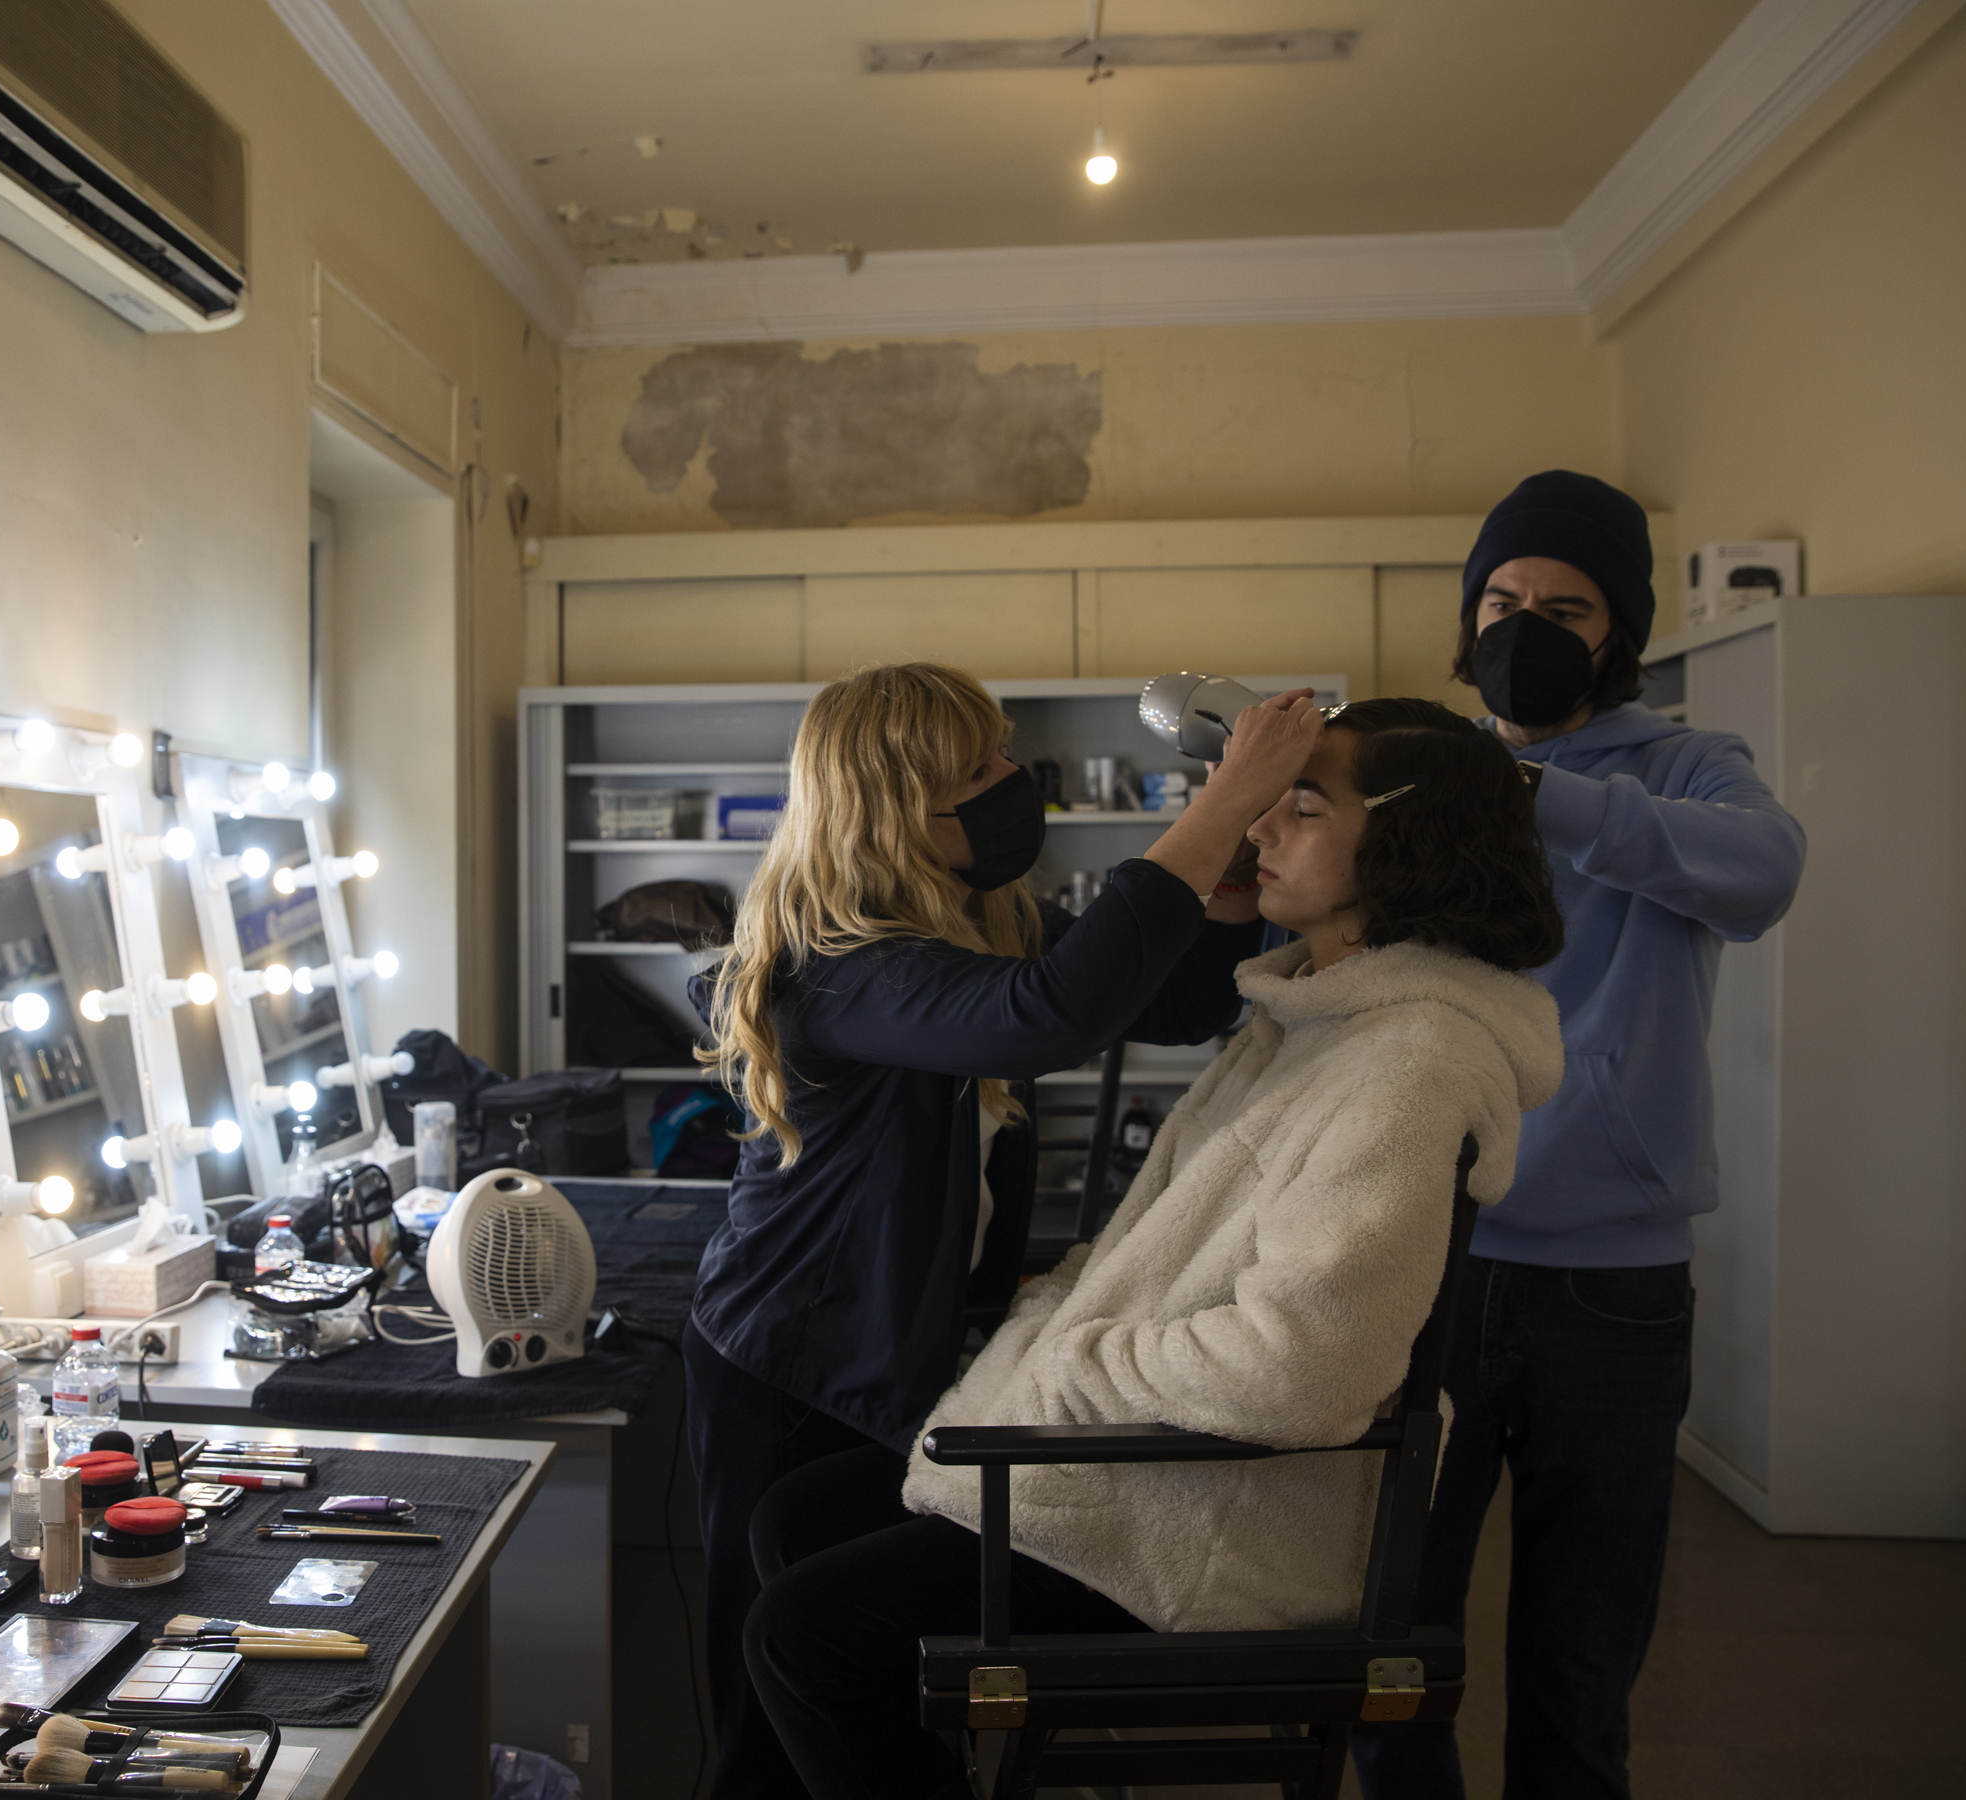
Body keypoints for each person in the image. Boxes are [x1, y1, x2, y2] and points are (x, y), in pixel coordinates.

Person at [739, 699, 1568, 1800]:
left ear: (1411, 842)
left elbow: (1304, 1366)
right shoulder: (1317, 1017)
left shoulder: (1408, 1063)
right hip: (1140, 1448)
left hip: (1208, 1524)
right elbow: (1063, 1022)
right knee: (797, 1519)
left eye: (1300, 806)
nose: (1260, 829)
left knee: (805, 1634)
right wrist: (1060, 1335)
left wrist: (1074, 1361)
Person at [685, 661, 1322, 1798]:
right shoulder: (840, 959)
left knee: (869, 1671)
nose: (1008, 780)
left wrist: (1228, 871)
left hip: (900, 1342)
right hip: (797, 1359)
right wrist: (1225, 801)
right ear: (893, 810)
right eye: (973, 773)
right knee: (776, 1696)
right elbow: (1048, 1016)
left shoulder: (977, 915)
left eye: (999, 753)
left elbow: (1171, 999)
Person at [1343, 472, 1806, 1799]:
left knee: (1581, 1668)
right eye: (1501, 601)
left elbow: (1765, 872)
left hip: (1612, 1287)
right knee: (1388, 1642)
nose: (1524, 627)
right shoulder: (1420, 764)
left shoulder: (1684, 766)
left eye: (1565, 608)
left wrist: (1532, 791)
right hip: (1424, 1258)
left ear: (1620, 635)